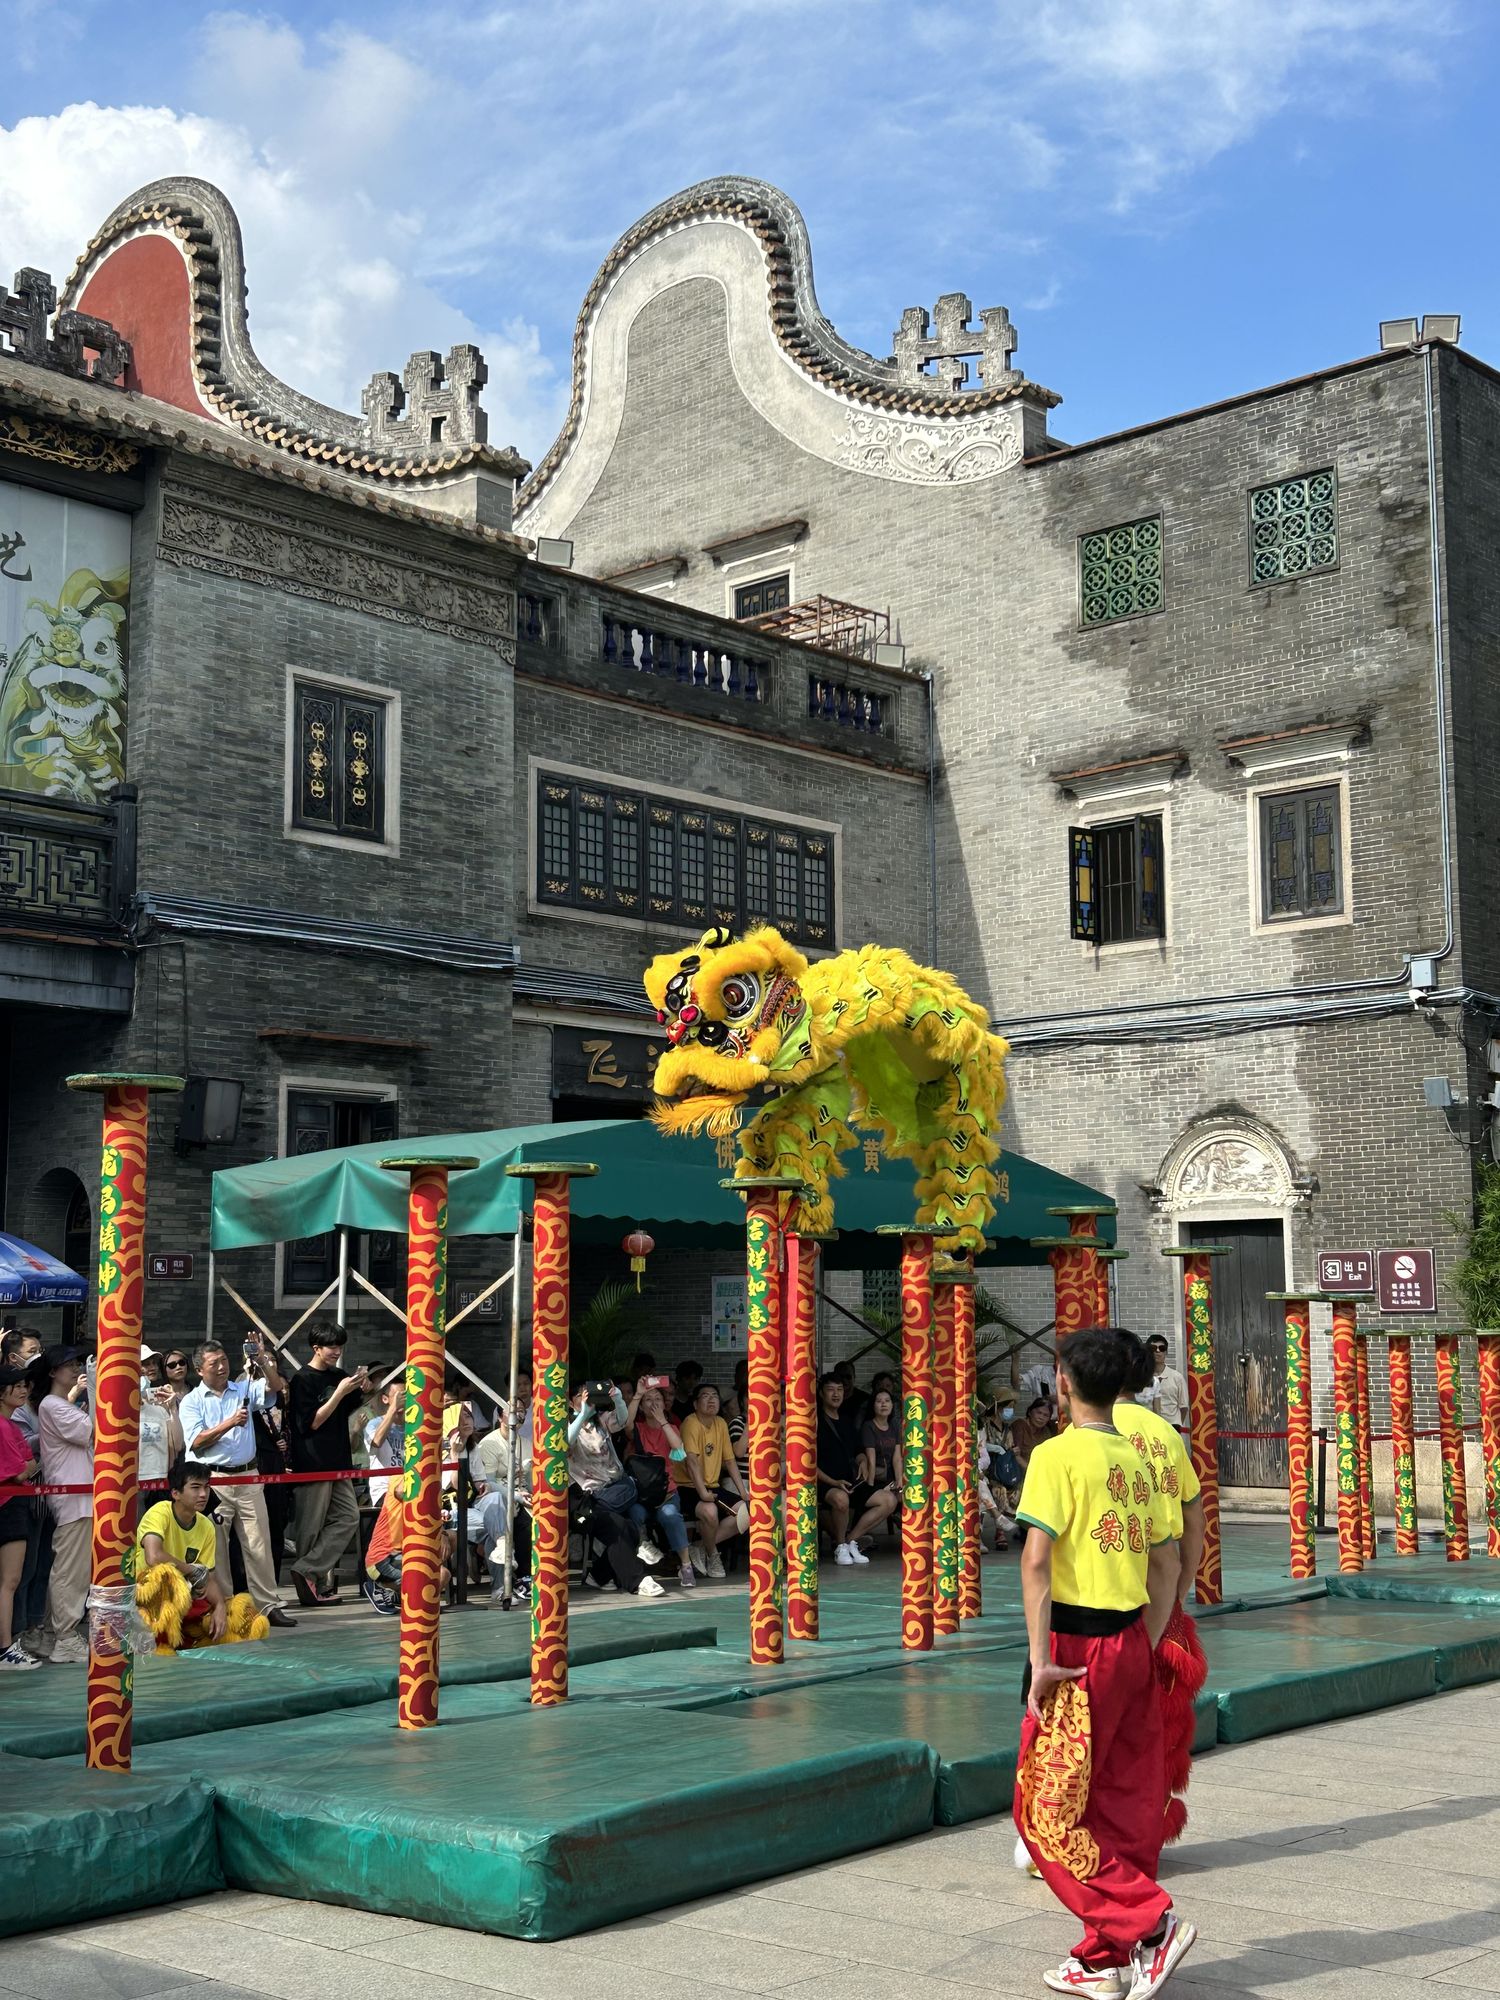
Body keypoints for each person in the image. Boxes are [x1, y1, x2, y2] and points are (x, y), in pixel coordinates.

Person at [1014, 1327, 1193, 1999]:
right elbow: (1168, 1561)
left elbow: (1036, 1560)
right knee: (1121, 1801)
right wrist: (1143, 1646)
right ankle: (1102, 1959)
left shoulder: (1057, 1456)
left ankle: (1149, 1925)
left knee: (1046, 1812)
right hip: (1129, 1642)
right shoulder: (1140, 1456)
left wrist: (1040, 1661)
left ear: (1062, 1380)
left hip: (1075, 1650)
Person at [179, 1337, 295, 1628]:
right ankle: (226, 1605)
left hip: (249, 1476)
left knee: (259, 1543)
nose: (221, 1367)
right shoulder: (191, 1401)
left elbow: (275, 1387)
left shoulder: (242, 1388)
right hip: (213, 1480)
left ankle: (268, 1604)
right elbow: (196, 1442)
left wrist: (262, 1360)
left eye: (224, 1360)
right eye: (213, 1363)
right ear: (198, 1369)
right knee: (217, 1547)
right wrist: (230, 1422)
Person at [135, 1459, 268, 1652]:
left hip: (187, 1599)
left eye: (206, 1487)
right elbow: (153, 1557)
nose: (203, 1494)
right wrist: (191, 1570)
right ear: (176, 1493)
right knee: (164, 1574)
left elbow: (209, 1577)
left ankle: (193, 1638)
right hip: (147, 1598)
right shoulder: (160, 1511)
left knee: (243, 1616)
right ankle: (161, 1644)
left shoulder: (206, 1526)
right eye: (195, 1487)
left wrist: (220, 1606)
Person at [285, 1324, 369, 1607]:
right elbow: (312, 1422)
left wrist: (363, 1387)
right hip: (313, 1463)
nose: (336, 1351)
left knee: (348, 1517)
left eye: (339, 1346)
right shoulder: (302, 1380)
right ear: (316, 1348)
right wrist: (339, 1393)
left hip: (339, 1461)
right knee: (310, 1527)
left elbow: (352, 1406)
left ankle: (307, 1569)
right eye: (331, 1346)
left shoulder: (339, 1376)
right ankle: (312, 1588)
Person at [567, 1380, 664, 1598]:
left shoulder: (600, 1421)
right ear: (571, 1402)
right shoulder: (566, 1424)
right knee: (623, 1527)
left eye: (589, 1397)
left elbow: (623, 1419)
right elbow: (563, 1443)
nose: (586, 1402)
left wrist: (618, 1397)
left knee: (625, 1527)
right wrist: (582, 1414)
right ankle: (637, 1581)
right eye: (580, 1398)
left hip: (614, 1491)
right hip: (585, 1501)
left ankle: (599, 1575)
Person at [27, 1346, 91, 1664]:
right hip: (73, 1499)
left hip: (80, 1497)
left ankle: (54, 1634)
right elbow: (97, 1432)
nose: (76, 1368)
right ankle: (65, 1636)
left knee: (68, 1568)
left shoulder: (59, 1405)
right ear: (53, 1372)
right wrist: (99, 1391)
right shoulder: (54, 1405)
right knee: (71, 1571)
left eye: (77, 1363)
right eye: (69, 1365)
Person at [816, 1372, 897, 1564]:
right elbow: (807, 1462)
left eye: (840, 1389)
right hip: (825, 1483)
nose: (836, 1394)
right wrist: (833, 1482)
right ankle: (841, 1546)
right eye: (830, 1390)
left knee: (889, 1500)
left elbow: (858, 1450)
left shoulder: (846, 1419)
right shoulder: (815, 1420)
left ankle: (849, 1542)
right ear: (821, 1393)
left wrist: (862, 1462)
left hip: (850, 1481)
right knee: (841, 1498)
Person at [626, 1381, 695, 1589]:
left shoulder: (672, 1427)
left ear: (665, 1405)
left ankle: (686, 1565)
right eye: (649, 1400)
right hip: (642, 1493)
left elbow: (678, 1450)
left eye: (658, 1399)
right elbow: (626, 1425)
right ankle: (644, 1548)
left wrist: (662, 1421)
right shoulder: (638, 1428)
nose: (653, 1403)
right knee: (635, 1514)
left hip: (667, 1492)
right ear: (642, 1406)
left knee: (671, 1516)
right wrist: (637, 1395)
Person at [473, 1370, 533, 1605]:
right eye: (512, 1412)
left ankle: (528, 1577)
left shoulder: (527, 1443)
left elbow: (530, 1479)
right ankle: (514, 1579)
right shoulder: (489, 1442)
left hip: (522, 1494)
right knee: (518, 1521)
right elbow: (487, 1483)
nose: (517, 1415)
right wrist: (516, 1495)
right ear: (500, 1416)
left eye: (521, 1412)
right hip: (499, 1496)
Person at [680, 1381, 749, 1579]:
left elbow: (730, 1460)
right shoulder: (690, 1423)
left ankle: (700, 1547)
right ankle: (713, 1555)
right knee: (709, 1511)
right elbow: (691, 1462)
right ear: (695, 1404)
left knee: (748, 1514)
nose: (711, 1400)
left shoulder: (720, 1423)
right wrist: (702, 1493)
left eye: (715, 1396)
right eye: (705, 1396)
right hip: (689, 1486)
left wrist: (743, 1493)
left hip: (713, 1486)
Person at [0, 1366, 40, 1668]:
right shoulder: (4, 1427)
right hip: (10, 1506)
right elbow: (22, 1470)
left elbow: (28, 1463)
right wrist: (27, 1467)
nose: (23, 1391)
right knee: (10, 1581)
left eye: (25, 1385)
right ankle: (5, 1647)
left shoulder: (11, 1425)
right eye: (15, 1386)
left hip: (14, 1504)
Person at [363, 1377, 403, 1507]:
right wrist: (393, 1409)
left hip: (407, 1486)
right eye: (399, 1396)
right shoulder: (374, 1424)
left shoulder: (414, 1426)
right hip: (385, 1490)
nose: (404, 1400)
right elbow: (376, 1443)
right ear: (385, 1399)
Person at [857, 1384, 902, 1495]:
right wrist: (870, 1488)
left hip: (890, 1477)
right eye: (879, 1401)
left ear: (892, 1405)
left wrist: (899, 1481)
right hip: (876, 1478)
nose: (883, 1404)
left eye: (887, 1401)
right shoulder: (868, 1426)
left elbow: (897, 1458)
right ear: (873, 1406)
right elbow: (871, 1461)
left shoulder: (894, 1426)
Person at [1139, 1337, 1189, 1428]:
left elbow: (1184, 1407)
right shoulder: (1142, 1378)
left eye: (1162, 1348)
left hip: (1171, 1426)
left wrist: (1177, 1424)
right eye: (1153, 1348)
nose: (1158, 1351)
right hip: (1148, 1426)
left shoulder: (1177, 1377)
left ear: (1166, 1352)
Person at [1010, 1394, 1056, 1471]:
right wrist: (1034, 1472)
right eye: (1039, 1413)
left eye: (1046, 1415)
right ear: (1030, 1412)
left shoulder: (1046, 1432)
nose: (1041, 1417)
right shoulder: (1019, 1426)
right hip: (1017, 1470)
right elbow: (1016, 1456)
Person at [670, 1358, 704, 1425]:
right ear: (678, 1378)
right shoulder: (670, 1400)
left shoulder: (696, 1402)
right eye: (687, 1378)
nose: (692, 1382)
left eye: (695, 1379)